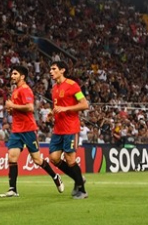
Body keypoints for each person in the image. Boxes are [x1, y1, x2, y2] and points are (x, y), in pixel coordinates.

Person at [0, 65, 63, 198]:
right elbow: (18, 109)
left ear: (22, 76)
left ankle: (55, 176)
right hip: (16, 130)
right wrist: (11, 110)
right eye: (12, 73)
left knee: (37, 160)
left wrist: (12, 106)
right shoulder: (15, 91)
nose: (12, 76)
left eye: (15, 74)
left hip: (28, 129)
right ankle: (13, 189)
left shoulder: (25, 90)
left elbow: (29, 107)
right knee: (12, 157)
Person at [48, 61, 89, 199]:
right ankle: (78, 179)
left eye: (54, 69)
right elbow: (58, 107)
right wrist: (51, 114)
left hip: (70, 128)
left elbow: (84, 104)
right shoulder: (54, 89)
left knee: (70, 160)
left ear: (62, 70)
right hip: (58, 129)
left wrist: (66, 109)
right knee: (54, 158)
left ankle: (82, 191)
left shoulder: (72, 85)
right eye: (50, 69)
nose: (51, 72)